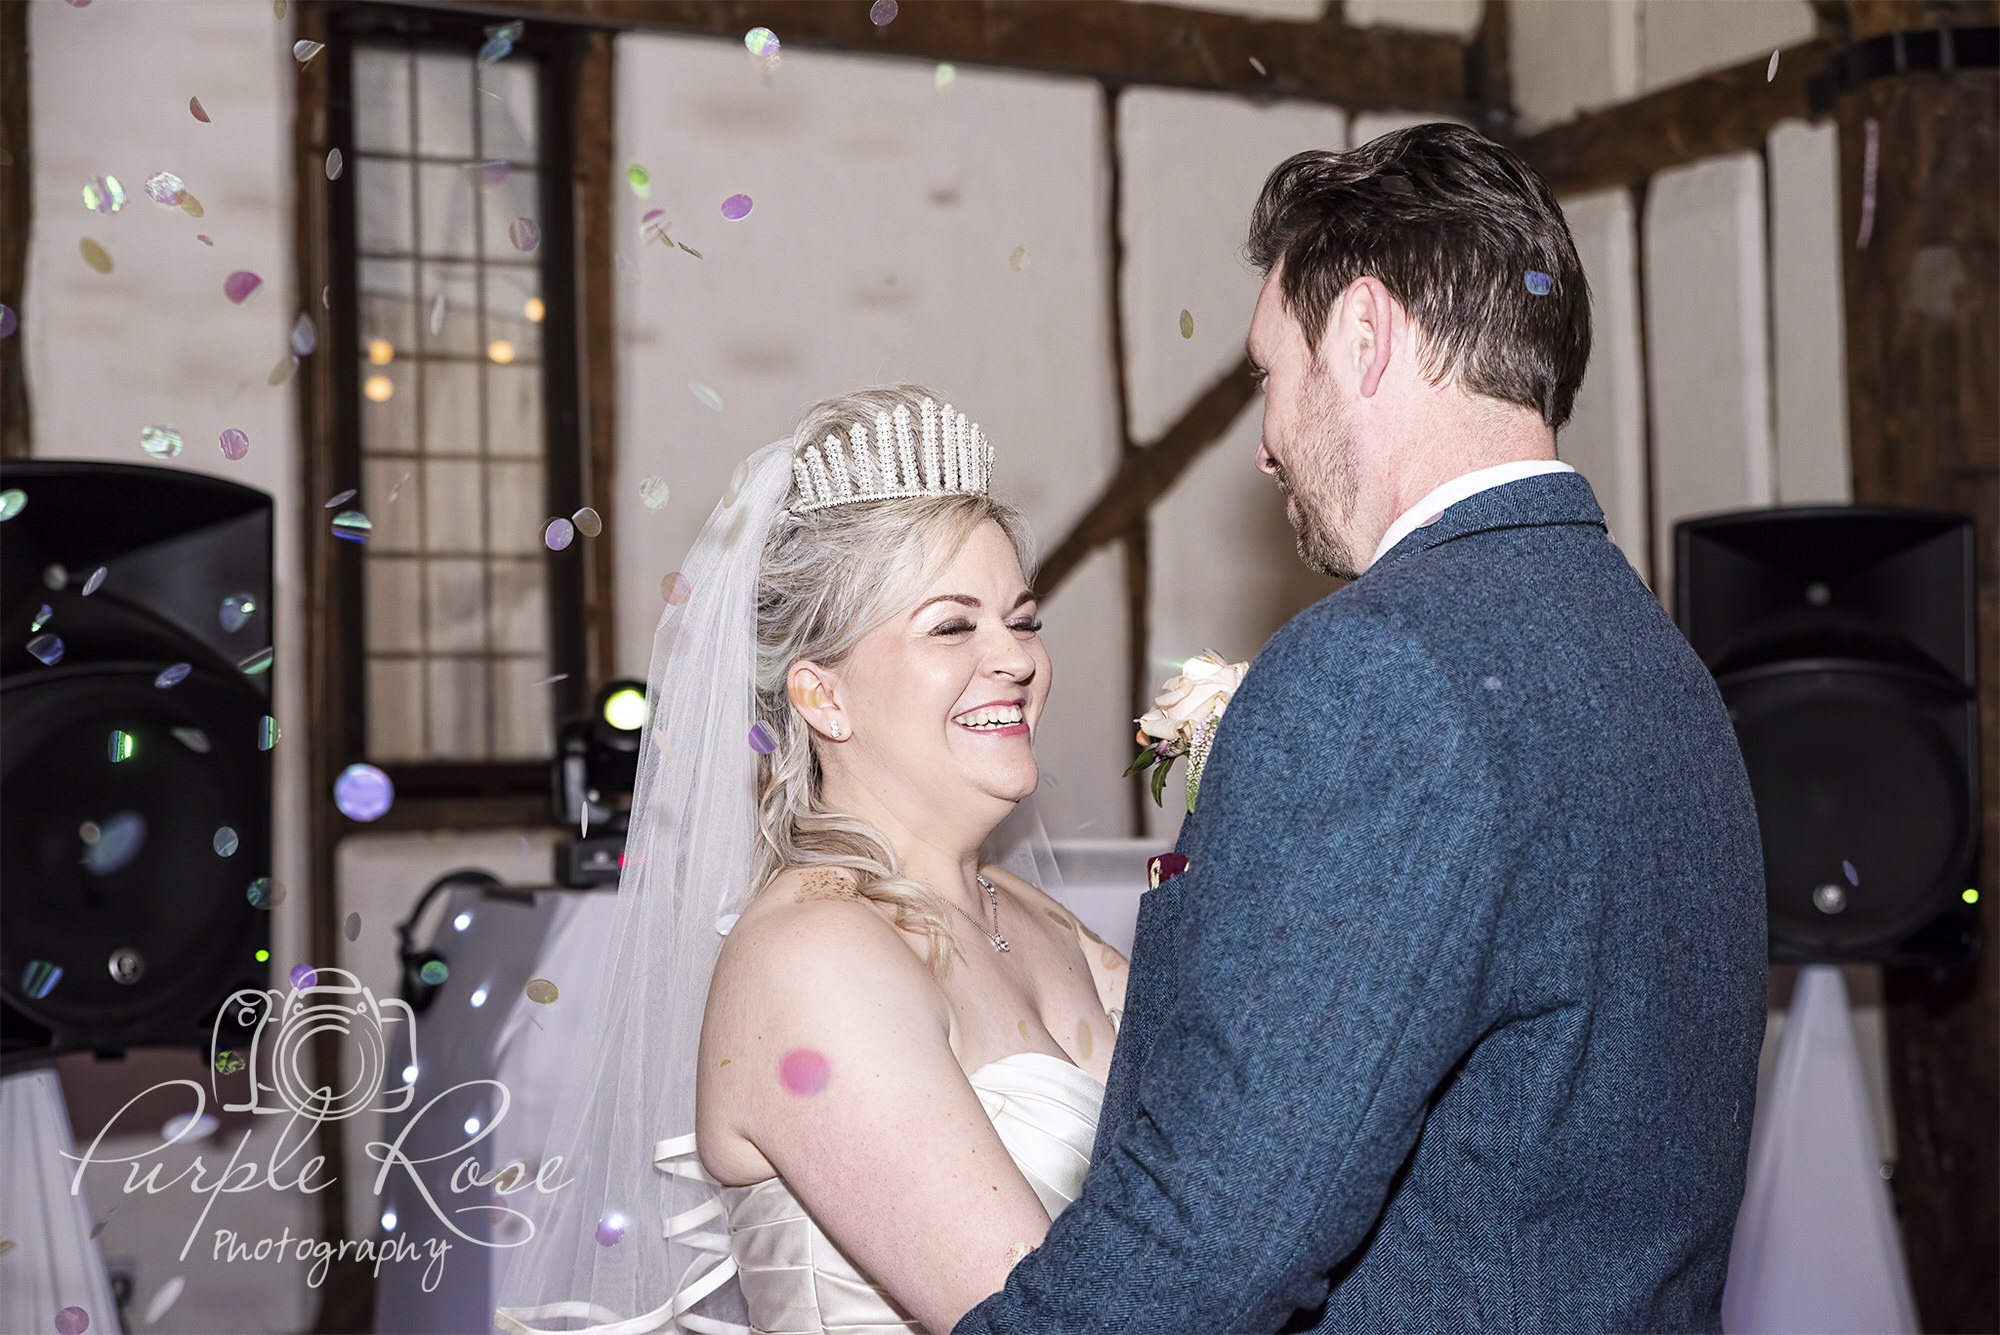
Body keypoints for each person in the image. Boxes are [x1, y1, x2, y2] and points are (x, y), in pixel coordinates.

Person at [956, 123, 1768, 1333]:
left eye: (1266, 375)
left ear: (1364, 333)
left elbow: (1218, 1234)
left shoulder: (1378, 670)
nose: (1265, 440)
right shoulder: (1658, 665)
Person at [495, 386, 1124, 1335]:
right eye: (953, 625)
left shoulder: (1033, 915)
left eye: (1023, 619)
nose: (1017, 658)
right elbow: (1050, 1318)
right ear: (822, 697)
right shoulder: (813, 955)